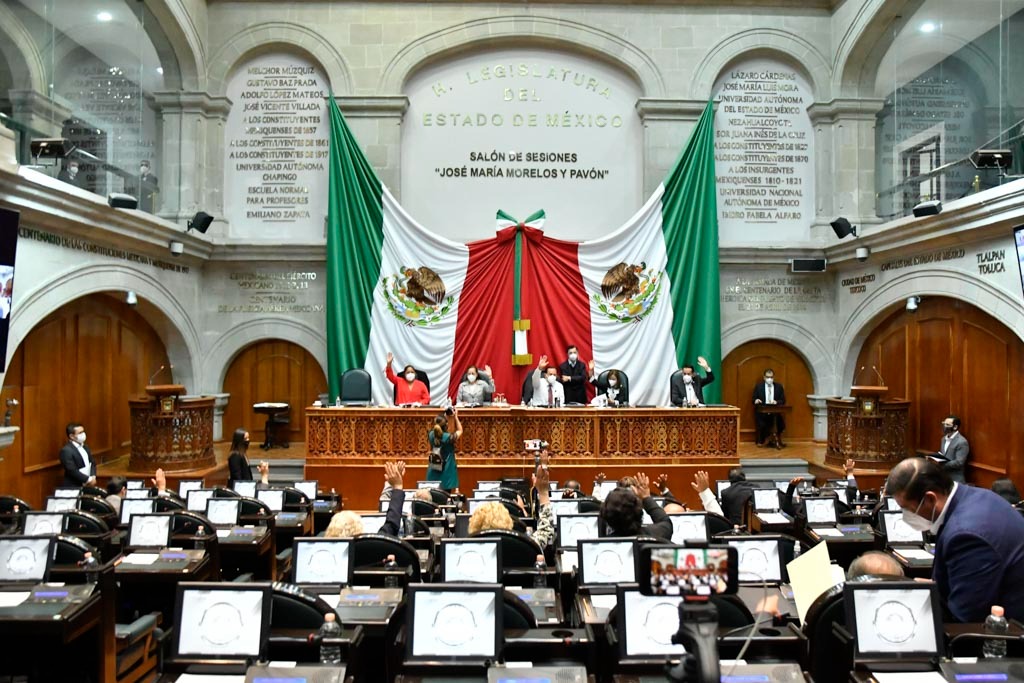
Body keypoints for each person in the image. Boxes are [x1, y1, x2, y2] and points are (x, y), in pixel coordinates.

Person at [886, 457, 1024, 622]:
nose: (906, 516)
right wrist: (936, 586)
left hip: (1006, 636)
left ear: (930, 499)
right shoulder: (978, 496)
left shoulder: (966, 536)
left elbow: (964, 619)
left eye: (907, 509)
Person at [327, 460, 408, 537]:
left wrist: (393, 484)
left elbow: (391, 525)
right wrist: (397, 486)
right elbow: (392, 524)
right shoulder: (372, 548)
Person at [599, 472, 673, 540]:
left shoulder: (602, 545)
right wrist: (646, 497)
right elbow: (665, 522)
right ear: (640, 511)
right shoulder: (656, 534)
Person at [426, 408, 462, 492]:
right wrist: (455, 417)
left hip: (434, 469)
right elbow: (460, 430)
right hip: (446, 472)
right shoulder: (447, 437)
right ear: (446, 425)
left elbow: (443, 431)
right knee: (445, 499)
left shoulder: (431, 434)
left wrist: (446, 419)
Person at [753, 368, 786, 447]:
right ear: (764, 377)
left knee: (781, 425)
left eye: (771, 377)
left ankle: (775, 440)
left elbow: (783, 400)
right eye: (768, 377)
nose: (769, 379)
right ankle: (764, 440)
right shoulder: (759, 387)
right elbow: (754, 399)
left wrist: (776, 402)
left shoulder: (779, 387)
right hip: (762, 412)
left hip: (775, 411)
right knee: (762, 424)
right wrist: (756, 400)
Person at [933, 415, 970, 483]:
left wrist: (941, 464)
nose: (944, 426)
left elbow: (959, 462)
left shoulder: (962, 442)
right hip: (944, 478)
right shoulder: (943, 439)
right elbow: (944, 456)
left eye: (947, 424)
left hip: (955, 479)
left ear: (955, 427)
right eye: (944, 423)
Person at [59, 422, 96, 487]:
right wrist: (88, 479)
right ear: (71, 436)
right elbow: (72, 470)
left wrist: (93, 476)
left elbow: (92, 462)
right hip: (74, 486)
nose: (83, 434)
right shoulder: (66, 451)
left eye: (83, 431)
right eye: (80, 433)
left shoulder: (85, 447)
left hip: (88, 484)